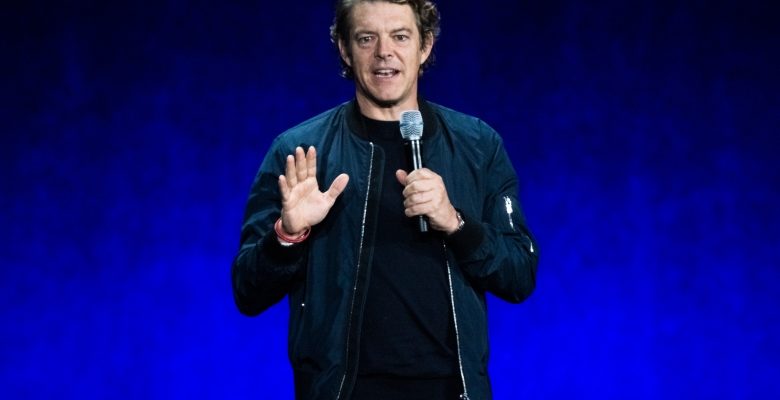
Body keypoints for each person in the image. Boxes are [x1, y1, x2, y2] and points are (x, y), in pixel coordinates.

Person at [231, 0, 538, 399]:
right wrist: (287, 236)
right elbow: (247, 292)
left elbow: (519, 275)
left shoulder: (478, 145)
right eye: (366, 38)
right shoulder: (300, 151)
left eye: (400, 36)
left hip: (448, 390)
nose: (383, 53)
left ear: (425, 46)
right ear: (344, 48)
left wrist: (456, 223)